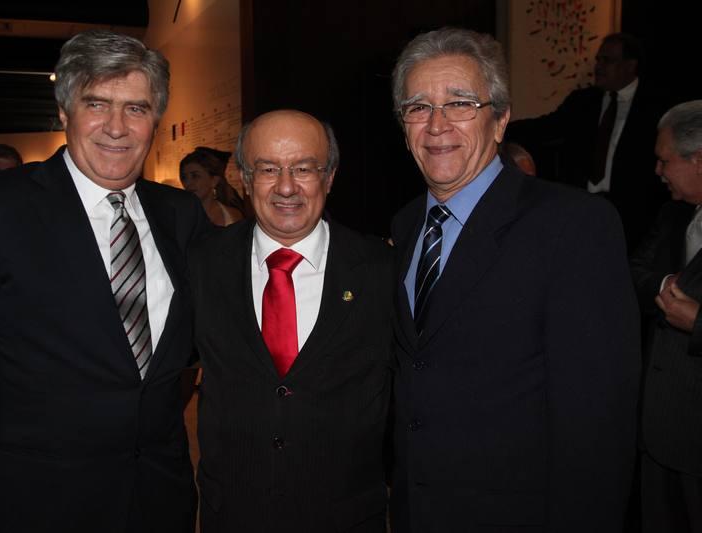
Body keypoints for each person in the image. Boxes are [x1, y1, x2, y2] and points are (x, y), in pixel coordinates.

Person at [0, 29, 208, 533]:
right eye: (97, 103)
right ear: (65, 112)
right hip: (34, 506)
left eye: (135, 108)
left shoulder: (180, 215)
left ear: (155, 118)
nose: (117, 127)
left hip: (159, 500)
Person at [388, 27, 641, 532]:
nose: (436, 125)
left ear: (501, 119)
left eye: (460, 103)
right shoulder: (406, 223)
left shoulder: (573, 226)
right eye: (418, 107)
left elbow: (597, 421)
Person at [188, 109, 394, 532]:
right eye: (268, 169)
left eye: (303, 168)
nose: (286, 187)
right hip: (233, 515)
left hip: (346, 518)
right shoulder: (201, 265)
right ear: (245, 179)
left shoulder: (382, 270)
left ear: (329, 177)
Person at [505, 32, 667, 251]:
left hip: (633, 214)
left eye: (607, 60)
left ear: (630, 66)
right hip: (583, 205)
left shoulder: (655, 106)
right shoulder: (583, 101)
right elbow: (545, 128)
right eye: (598, 60)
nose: (599, 66)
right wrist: (498, 128)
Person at [630, 100, 702, 533]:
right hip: (658, 430)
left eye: (665, 160)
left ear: (699, 161)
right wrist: (663, 286)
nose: (658, 171)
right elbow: (635, 271)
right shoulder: (673, 213)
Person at [180, 147, 244, 226]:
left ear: (214, 181)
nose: (187, 183)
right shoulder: (179, 217)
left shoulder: (234, 215)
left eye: (195, 176)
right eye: (184, 177)